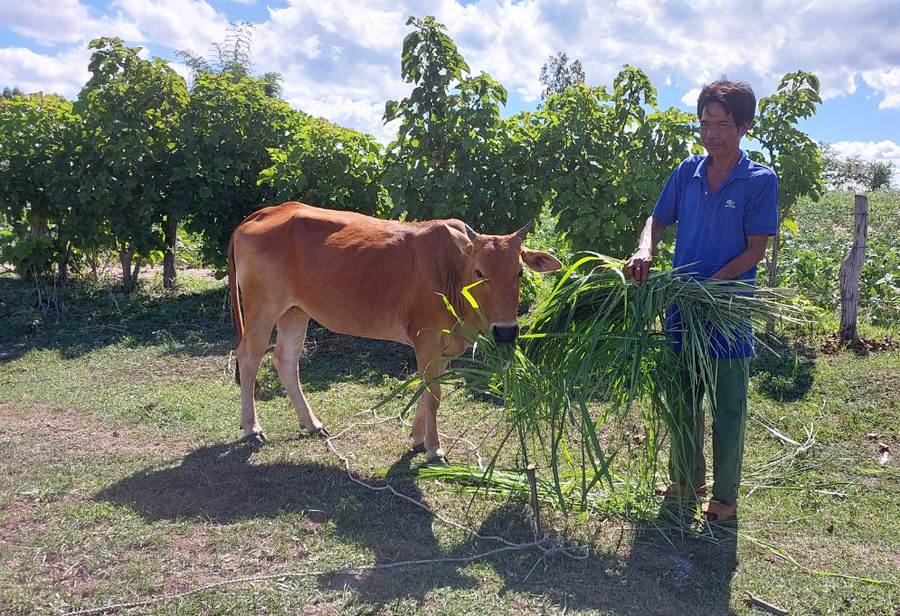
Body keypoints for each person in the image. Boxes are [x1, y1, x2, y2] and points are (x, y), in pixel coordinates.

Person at [623, 79, 778, 522]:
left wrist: (711, 285)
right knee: (683, 398)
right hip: (682, 309)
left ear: (744, 126)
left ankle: (725, 496)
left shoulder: (759, 181)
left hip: (727, 311)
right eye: (705, 123)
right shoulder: (686, 172)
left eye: (723, 125)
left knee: (728, 406)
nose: (711, 134)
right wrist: (644, 249)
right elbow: (657, 218)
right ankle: (687, 479)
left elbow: (755, 249)